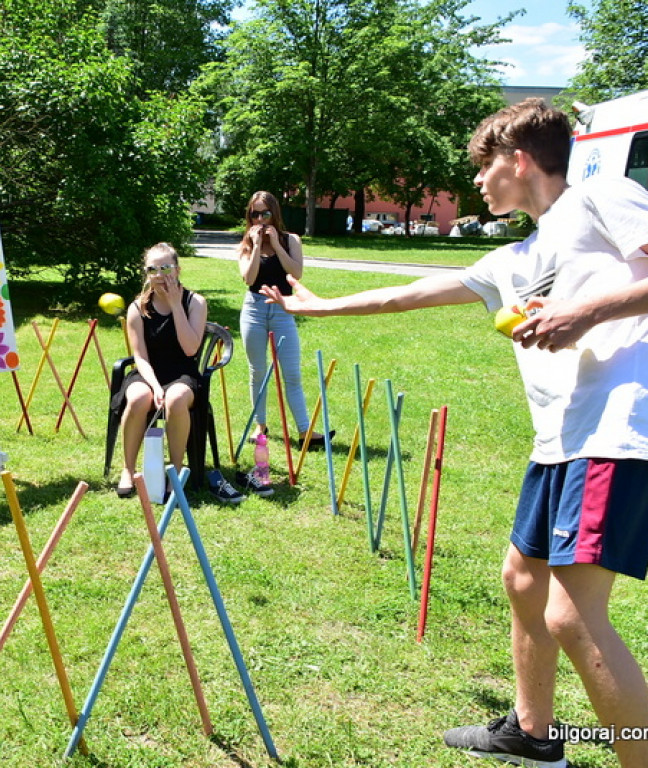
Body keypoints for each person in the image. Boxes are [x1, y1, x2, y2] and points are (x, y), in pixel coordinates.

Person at [262, 98, 648, 768]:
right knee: (523, 583)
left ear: (518, 159)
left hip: (615, 429)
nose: (476, 181)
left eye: (483, 165)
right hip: (559, 442)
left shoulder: (601, 198)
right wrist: (319, 306)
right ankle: (532, 733)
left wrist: (583, 312)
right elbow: (405, 293)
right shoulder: (516, 257)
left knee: (571, 615)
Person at [113, 243, 244, 504]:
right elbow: (140, 357)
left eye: (166, 268)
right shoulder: (137, 308)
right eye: (153, 269)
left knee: (175, 399)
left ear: (178, 269)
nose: (160, 275)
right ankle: (128, 469)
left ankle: (175, 471)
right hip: (148, 373)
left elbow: (190, 348)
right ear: (146, 273)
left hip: (183, 374)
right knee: (139, 397)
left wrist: (175, 305)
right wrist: (154, 386)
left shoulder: (195, 303)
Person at [236, 191, 331, 495]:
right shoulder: (245, 244)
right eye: (255, 214)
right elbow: (248, 278)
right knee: (257, 370)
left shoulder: (291, 240)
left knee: (291, 373)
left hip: (284, 309)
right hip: (253, 308)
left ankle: (305, 431)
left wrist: (275, 244)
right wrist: (253, 247)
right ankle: (260, 426)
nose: (260, 220)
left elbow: (297, 272)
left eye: (265, 214)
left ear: (275, 215)